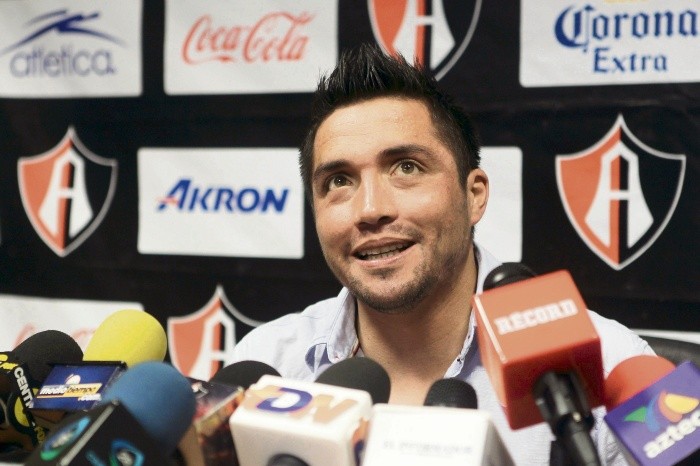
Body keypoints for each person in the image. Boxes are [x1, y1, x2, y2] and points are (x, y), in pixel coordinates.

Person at [232, 43, 653, 465]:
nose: (370, 209)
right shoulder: (268, 365)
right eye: (339, 181)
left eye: (406, 167)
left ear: (474, 196)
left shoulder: (610, 368)